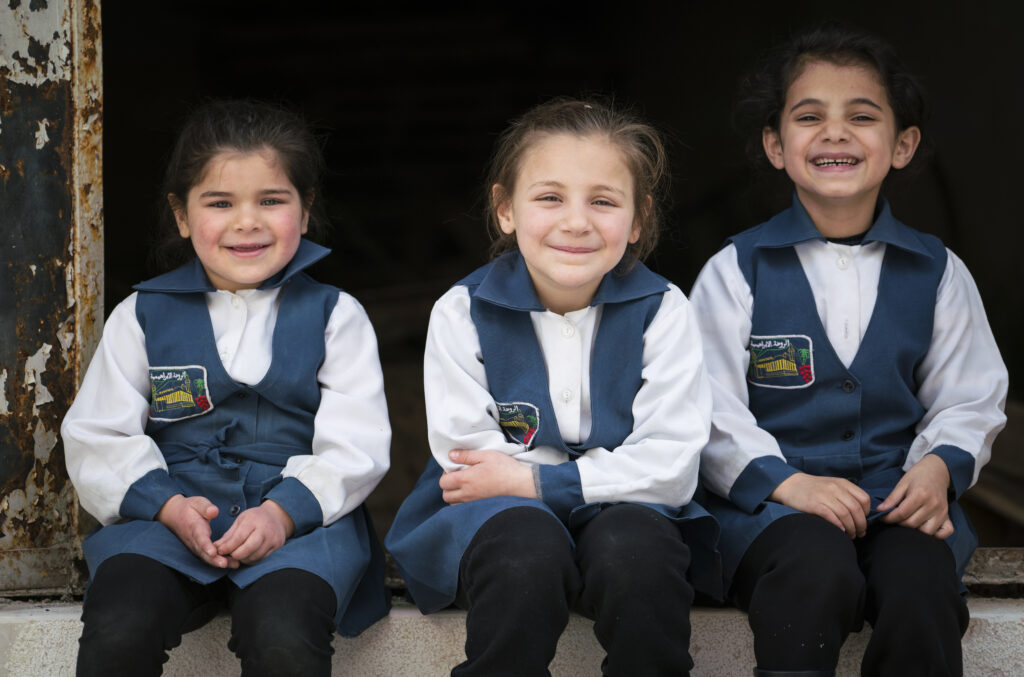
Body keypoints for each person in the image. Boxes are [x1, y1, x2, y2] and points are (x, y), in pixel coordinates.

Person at [689, 25, 1008, 677]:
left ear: (902, 144)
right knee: (814, 572)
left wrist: (938, 471)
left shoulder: (937, 270)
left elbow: (970, 395)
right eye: (810, 117)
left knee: (921, 583)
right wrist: (788, 482)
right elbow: (704, 405)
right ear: (776, 146)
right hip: (771, 508)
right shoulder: (735, 270)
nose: (835, 132)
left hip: (900, 495)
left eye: (861, 116)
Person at [386, 97, 720, 676]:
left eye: (603, 201)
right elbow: (471, 462)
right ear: (505, 209)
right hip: (499, 514)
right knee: (525, 555)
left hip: (630, 510)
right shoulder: (462, 312)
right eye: (549, 197)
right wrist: (546, 487)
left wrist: (536, 478)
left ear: (638, 218)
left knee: (637, 555)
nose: (576, 221)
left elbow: (670, 465)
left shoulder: (664, 310)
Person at [61, 100, 392, 677]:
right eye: (220, 203)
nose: (247, 222)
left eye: (272, 200)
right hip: (167, 518)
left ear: (305, 210)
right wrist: (166, 506)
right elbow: (98, 434)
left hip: (297, 528)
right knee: (120, 624)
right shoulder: (141, 315)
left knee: (285, 635)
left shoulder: (336, 316)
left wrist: (281, 515)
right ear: (182, 215)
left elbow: (357, 446)